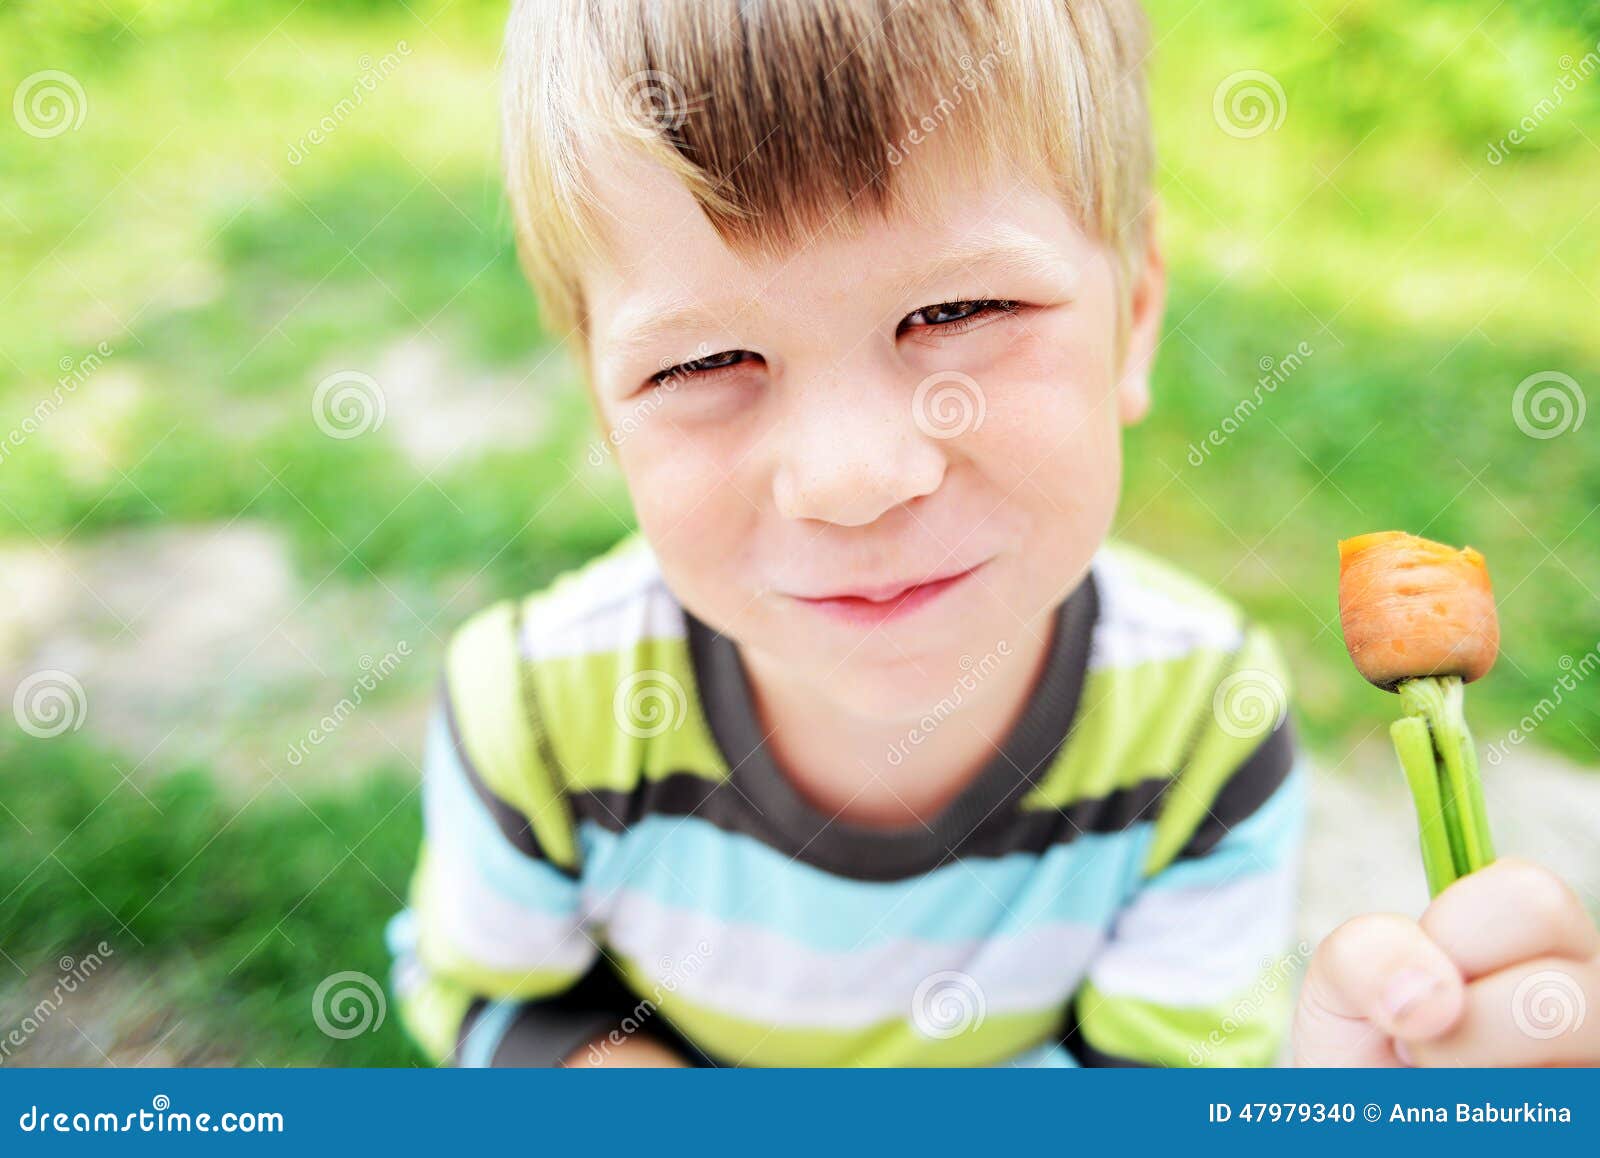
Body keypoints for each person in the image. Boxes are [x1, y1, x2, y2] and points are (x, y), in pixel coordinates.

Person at [387, 0, 1599, 1067]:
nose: (853, 481)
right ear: (601, 401)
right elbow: (496, 999)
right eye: (704, 361)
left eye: (957, 309)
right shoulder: (536, 714)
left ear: (1133, 310)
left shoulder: (1204, 726)